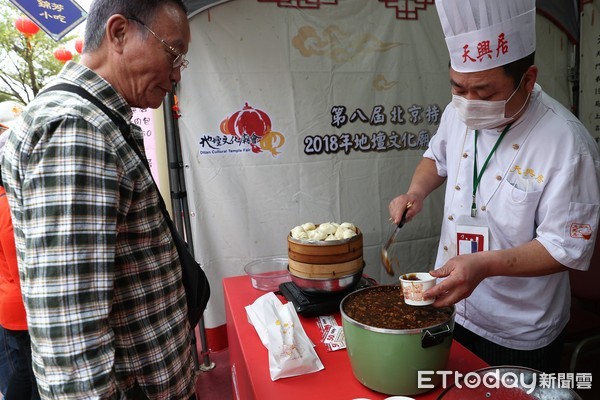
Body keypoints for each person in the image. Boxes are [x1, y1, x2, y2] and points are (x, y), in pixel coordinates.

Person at [0, 1, 200, 399]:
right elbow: (72, 336)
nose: (176, 74)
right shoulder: (78, 129)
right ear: (119, 33)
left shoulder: (97, 119)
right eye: (172, 53)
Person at [389, 0, 600, 373]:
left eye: (485, 93)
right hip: (451, 305)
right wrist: (415, 192)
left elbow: (565, 247)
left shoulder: (567, 145)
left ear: (528, 79)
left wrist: (485, 265)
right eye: (458, 87)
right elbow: (434, 159)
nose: (469, 104)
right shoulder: (457, 113)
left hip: (518, 328)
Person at [0, 101, 40, 400]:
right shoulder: (7, 205)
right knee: (28, 378)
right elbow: (22, 268)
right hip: (21, 311)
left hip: (10, 306)